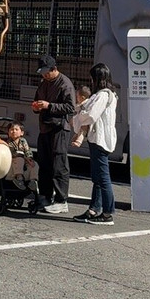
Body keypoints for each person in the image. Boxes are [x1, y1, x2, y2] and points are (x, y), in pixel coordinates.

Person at [70, 62, 119, 225]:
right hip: (104, 138)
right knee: (98, 177)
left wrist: (76, 118)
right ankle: (94, 209)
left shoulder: (102, 95)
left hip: (99, 139)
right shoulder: (110, 94)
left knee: (102, 177)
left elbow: (91, 115)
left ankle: (107, 213)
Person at [29, 54, 75, 214]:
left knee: (59, 165)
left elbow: (71, 108)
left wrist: (49, 106)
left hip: (59, 129)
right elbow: (37, 100)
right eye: (42, 72)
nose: (44, 75)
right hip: (45, 128)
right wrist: (36, 107)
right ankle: (45, 197)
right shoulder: (44, 83)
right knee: (44, 164)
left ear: (54, 69)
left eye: (46, 72)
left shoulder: (65, 84)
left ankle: (62, 200)